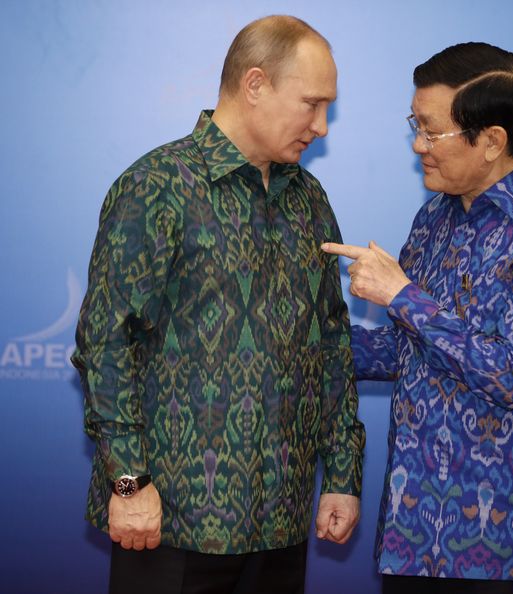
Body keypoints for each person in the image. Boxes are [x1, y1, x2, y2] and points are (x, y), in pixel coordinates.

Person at [72, 15, 365, 594]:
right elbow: (107, 342)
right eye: (311, 104)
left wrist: (343, 475)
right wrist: (128, 482)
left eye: (327, 107)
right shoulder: (157, 185)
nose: (322, 126)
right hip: (171, 523)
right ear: (255, 85)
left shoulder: (307, 200)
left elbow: (330, 343)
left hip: (281, 525)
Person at [322, 42, 513, 593]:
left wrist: (401, 294)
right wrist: (302, 341)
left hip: (504, 547)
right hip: (411, 537)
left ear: (493, 140)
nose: (418, 144)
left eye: (432, 131)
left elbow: (509, 373)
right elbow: (414, 352)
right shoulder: (435, 216)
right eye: (415, 125)